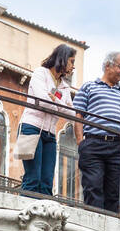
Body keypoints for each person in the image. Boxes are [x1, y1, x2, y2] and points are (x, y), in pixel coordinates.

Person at [74, 51, 120, 214]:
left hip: (118, 146)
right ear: (107, 65)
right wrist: (81, 142)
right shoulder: (89, 86)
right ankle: (94, 229)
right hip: (93, 143)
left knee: (115, 192)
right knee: (93, 187)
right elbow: (79, 116)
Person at [19, 43, 78, 195]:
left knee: (46, 183)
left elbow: (71, 114)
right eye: (72, 61)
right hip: (31, 127)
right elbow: (43, 101)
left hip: (50, 135)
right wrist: (59, 105)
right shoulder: (40, 73)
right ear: (63, 59)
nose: (73, 67)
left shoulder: (64, 86)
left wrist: (55, 101)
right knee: (32, 179)